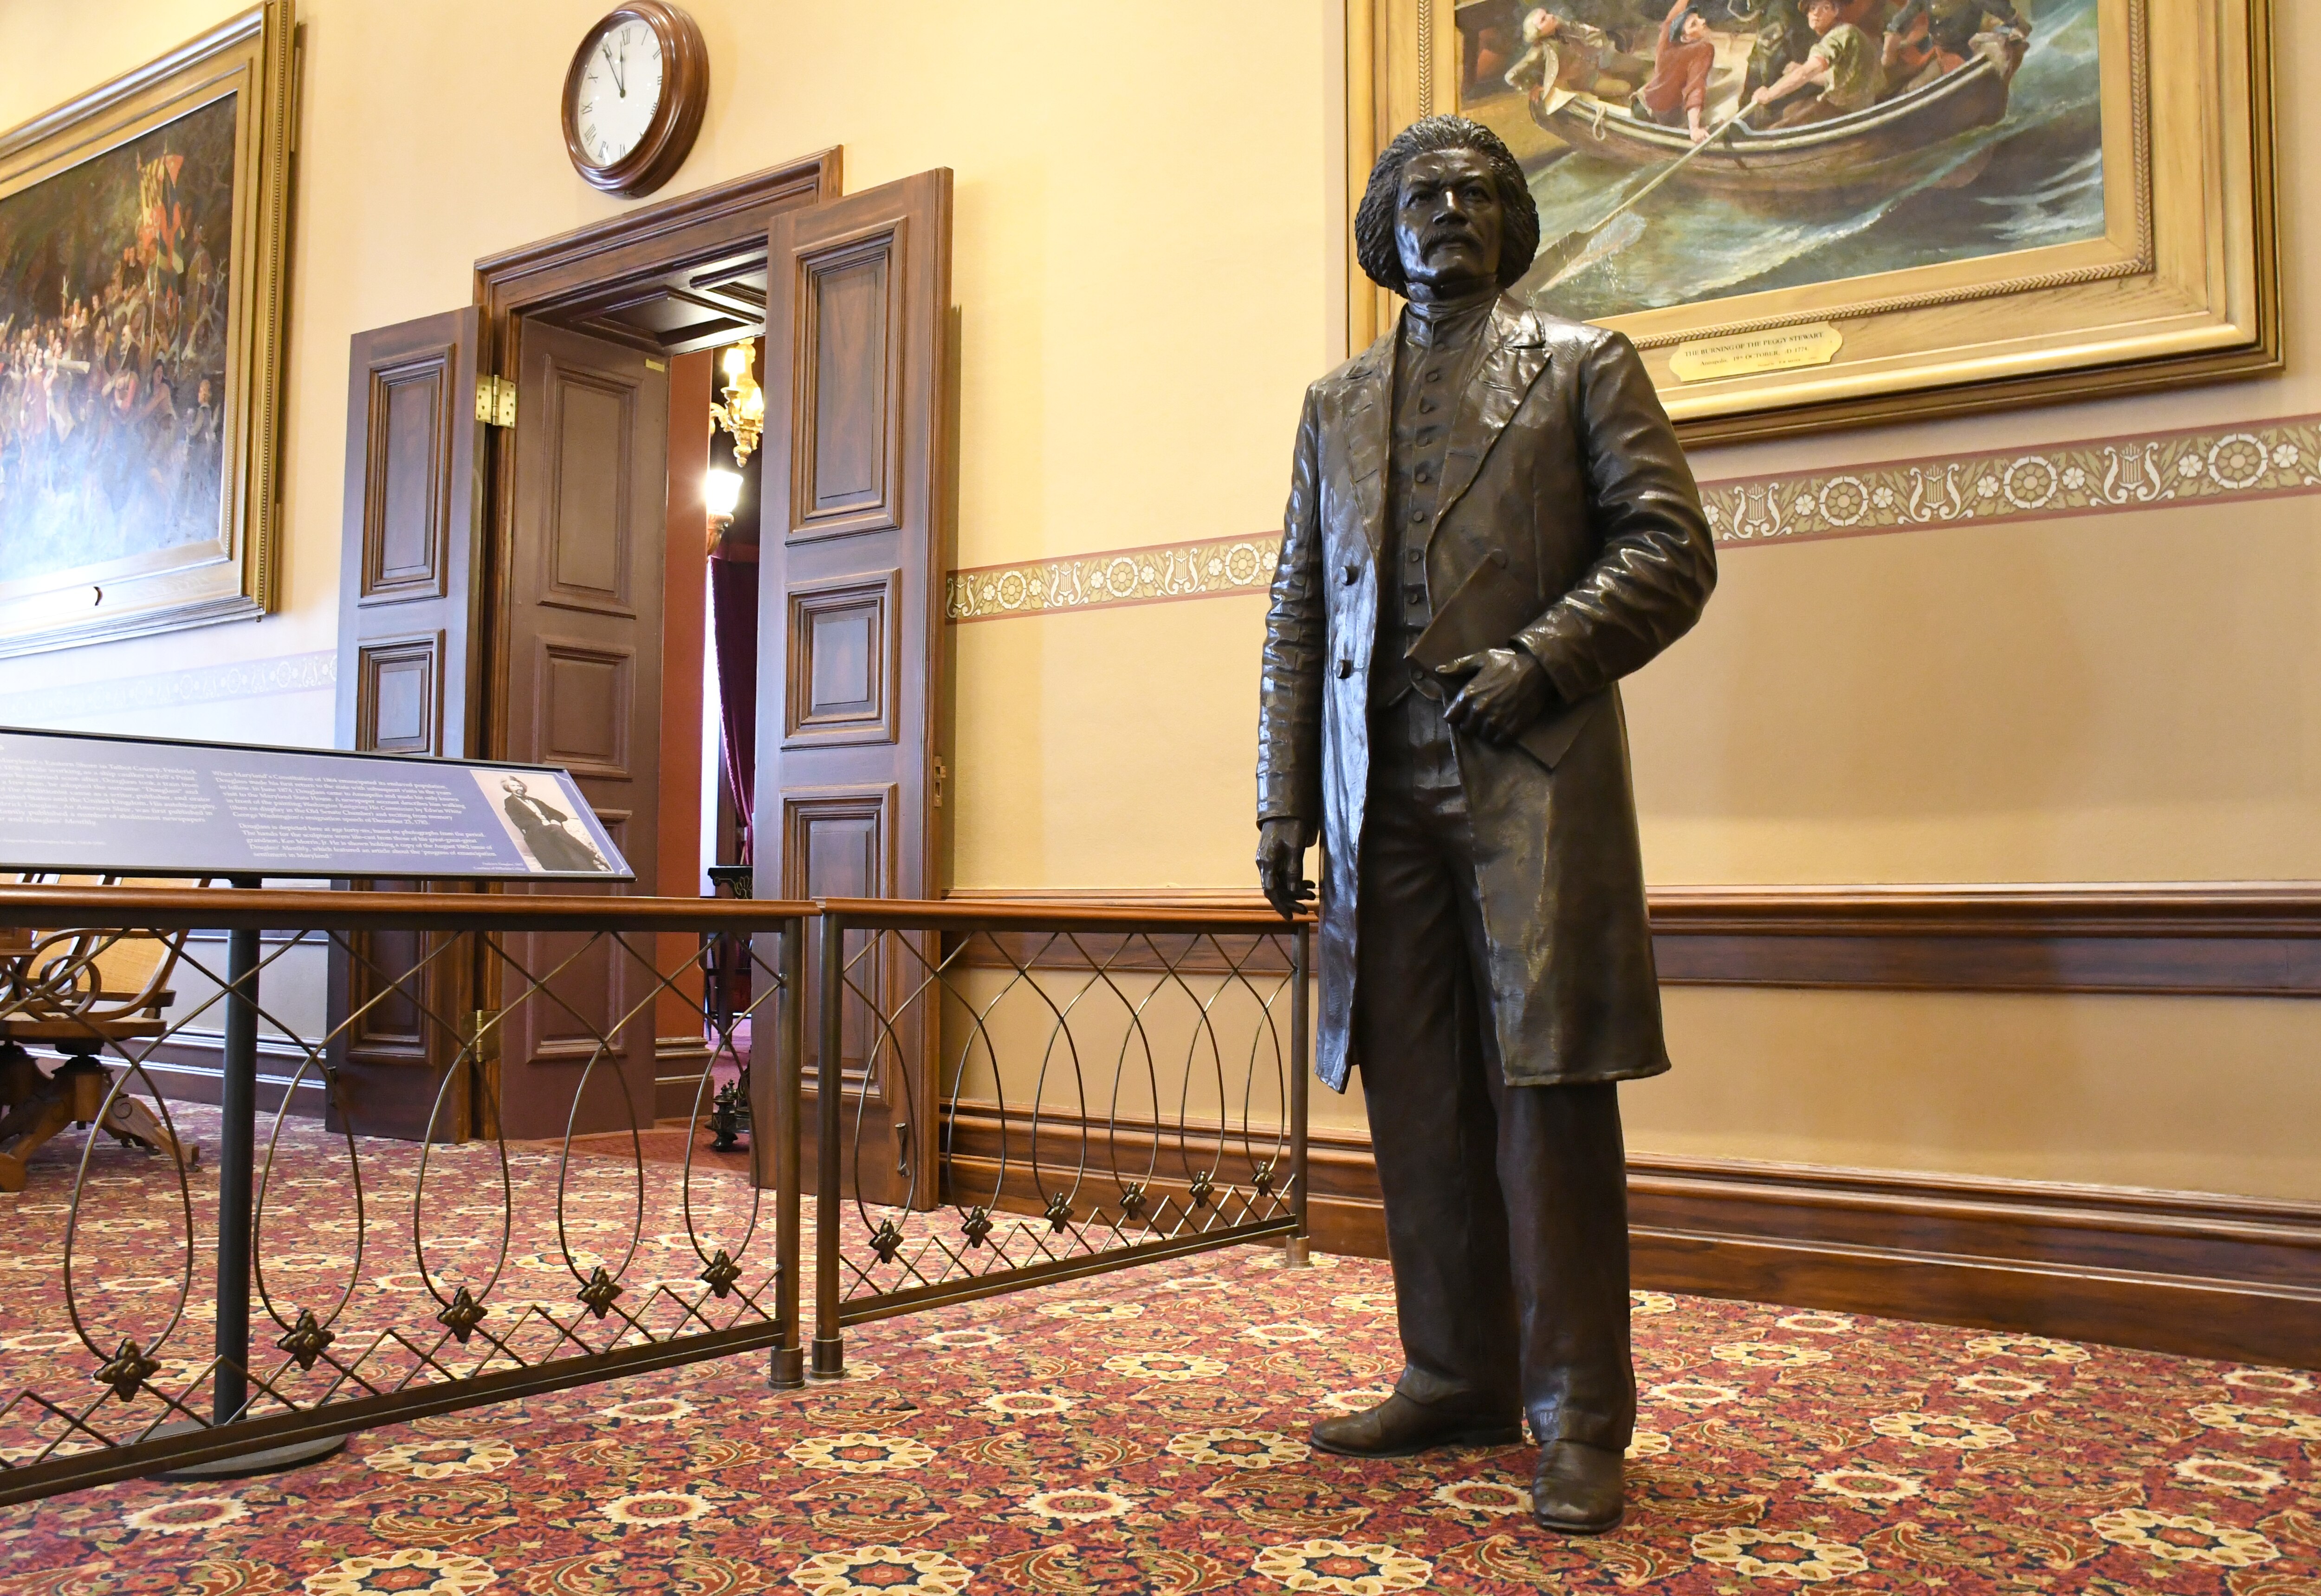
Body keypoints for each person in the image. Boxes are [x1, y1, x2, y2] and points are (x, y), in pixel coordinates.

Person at [1254, 115, 1716, 1534]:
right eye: (1420, 194)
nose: (1447, 211)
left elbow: (1669, 548)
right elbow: (1293, 611)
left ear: (1510, 225)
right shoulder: (1332, 405)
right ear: (1381, 230)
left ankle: (1579, 1413)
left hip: (1528, 783)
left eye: (1473, 194)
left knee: (1547, 1100)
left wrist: (1536, 661)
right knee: (1415, 1098)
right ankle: (1450, 1369)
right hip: (1374, 795)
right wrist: (1281, 795)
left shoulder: (1583, 364)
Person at [1750, 0, 1884, 123]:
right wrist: (1801, 70)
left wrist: (1769, 95)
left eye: (1825, 8)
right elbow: (1832, 78)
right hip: (1858, 102)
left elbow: (1806, 73)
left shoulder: (1839, 36)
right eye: (1813, 8)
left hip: (1848, 109)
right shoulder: (1846, 32)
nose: (1816, 13)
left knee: (1786, 123)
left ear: (1835, 12)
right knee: (1791, 110)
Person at [1504, 8, 1650, 100]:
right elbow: (1511, 76)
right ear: (1536, 32)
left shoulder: (1563, 30)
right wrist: (1532, 87)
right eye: (1544, 20)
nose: (1550, 17)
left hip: (1597, 67)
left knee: (1636, 68)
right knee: (1624, 87)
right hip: (1585, 81)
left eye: (1547, 14)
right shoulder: (1539, 51)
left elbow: (1584, 32)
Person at [1632, 3, 1718, 141]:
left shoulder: (1667, 38)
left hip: (1641, 104)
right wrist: (1694, 128)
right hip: (1664, 116)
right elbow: (1695, 88)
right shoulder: (1703, 50)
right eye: (1694, 24)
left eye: (1698, 19)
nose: (1703, 21)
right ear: (1686, 38)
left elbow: (1672, 18)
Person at [500, 777, 610, 873]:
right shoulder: (509, 803)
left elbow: (560, 815)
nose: (518, 787)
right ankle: (592, 855)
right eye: (514, 786)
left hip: (553, 830)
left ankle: (593, 871)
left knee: (569, 850)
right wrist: (543, 824)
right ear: (508, 788)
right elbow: (518, 821)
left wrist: (554, 820)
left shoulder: (535, 801)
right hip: (536, 832)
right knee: (555, 830)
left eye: (519, 785)